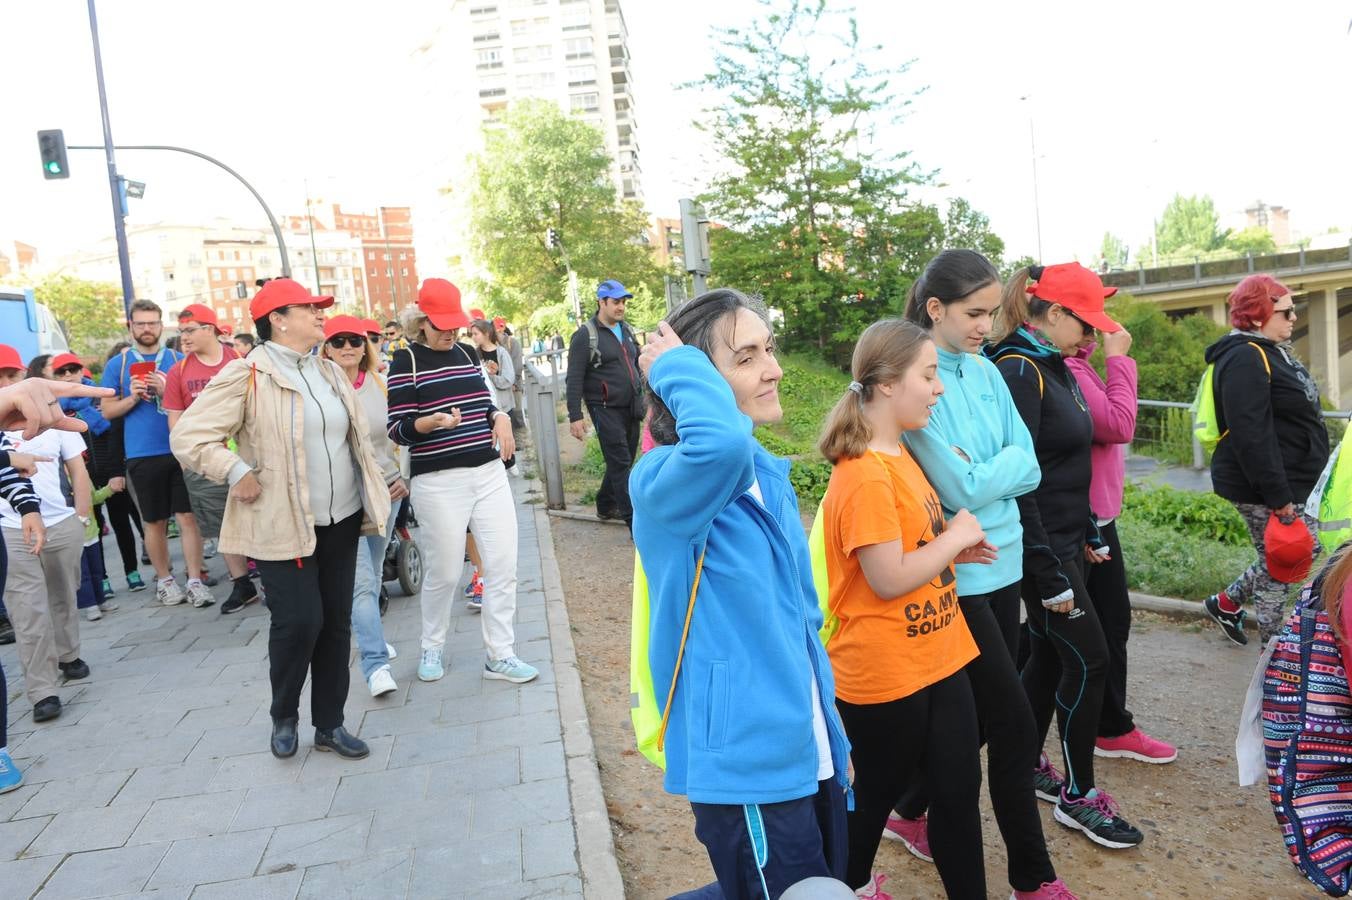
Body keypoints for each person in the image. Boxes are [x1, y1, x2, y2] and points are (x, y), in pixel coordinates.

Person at [632, 290, 852, 900]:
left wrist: (829, 730)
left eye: (769, 349)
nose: (773, 368)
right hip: (747, 768)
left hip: (804, 750)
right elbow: (718, 446)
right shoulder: (663, 485)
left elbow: (801, 617)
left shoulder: (767, 475)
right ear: (695, 381)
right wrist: (675, 368)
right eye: (746, 356)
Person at [897, 250, 1076, 899]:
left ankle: (905, 807)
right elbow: (956, 485)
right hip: (959, 577)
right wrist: (989, 474)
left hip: (1003, 564)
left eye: (992, 312)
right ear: (936, 308)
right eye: (974, 313)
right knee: (1015, 723)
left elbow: (1026, 464)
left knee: (969, 724)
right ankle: (1033, 876)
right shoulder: (915, 377)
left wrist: (987, 474)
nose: (985, 325)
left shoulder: (985, 370)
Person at [171, 277, 392, 760]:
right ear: (278, 319)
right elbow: (189, 437)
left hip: (343, 517)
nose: (320, 315)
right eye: (309, 308)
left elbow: (355, 441)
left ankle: (330, 724)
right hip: (283, 522)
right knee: (299, 622)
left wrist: (381, 480)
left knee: (336, 622)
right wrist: (234, 470)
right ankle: (284, 714)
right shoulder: (247, 374)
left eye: (320, 308)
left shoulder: (329, 372)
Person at [818, 318, 988, 899]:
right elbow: (886, 580)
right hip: (885, 675)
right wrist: (955, 535)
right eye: (929, 374)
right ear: (888, 383)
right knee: (867, 810)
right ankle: (849, 889)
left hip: (940, 655)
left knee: (960, 798)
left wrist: (954, 551)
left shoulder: (899, 453)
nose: (939, 387)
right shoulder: (864, 472)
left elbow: (906, 552)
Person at [987, 262, 1144, 850]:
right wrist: (1046, 566)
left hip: (1065, 541)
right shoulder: (1019, 369)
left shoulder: (1056, 364)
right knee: (1092, 658)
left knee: (1051, 659)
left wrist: (1089, 531)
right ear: (1052, 314)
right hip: (1039, 551)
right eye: (1086, 323)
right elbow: (1018, 479)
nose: (1094, 335)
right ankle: (1079, 797)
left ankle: (1022, 763)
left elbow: (1068, 465)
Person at [386, 279, 537, 686]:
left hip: (488, 474)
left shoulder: (468, 353)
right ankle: (432, 644)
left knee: (503, 564)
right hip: (438, 481)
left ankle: (500, 654)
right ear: (420, 322)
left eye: (455, 324)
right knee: (446, 572)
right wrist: (429, 422)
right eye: (440, 326)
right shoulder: (406, 362)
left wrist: (500, 418)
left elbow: (487, 404)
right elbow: (397, 429)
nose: (449, 333)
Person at [1065, 318, 1178, 765]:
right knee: (1092, 630)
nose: (1096, 332)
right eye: (1085, 323)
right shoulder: (1067, 370)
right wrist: (1118, 359)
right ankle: (1106, 728)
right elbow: (1117, 424)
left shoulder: (1074, 364)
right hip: (1083, 519)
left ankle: (1106, 724)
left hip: (1096, 516)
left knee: (1102, 625)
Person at [1203, 274, 1328, 646]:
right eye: (1286, 311)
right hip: (1262, 486)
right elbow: (1250, 434)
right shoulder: (1245, 357)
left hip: (1285, 479)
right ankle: (1275, 652)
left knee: (1303, 549)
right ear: (1258, 315)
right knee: (1281, 561)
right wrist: (1280, 498)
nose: (1293, 317)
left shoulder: (1269, 349)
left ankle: (1226, 603)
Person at [99, 299, 209, 608]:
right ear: (131, 327)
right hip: (141, 453)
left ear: (162, 326)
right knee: (155, 521)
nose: (147, 329)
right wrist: (133, 397)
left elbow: (196, 404)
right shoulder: (117, 365)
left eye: (153, 323)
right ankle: (164, 580)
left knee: (188, 518)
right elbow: (108, 412)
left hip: (179, 448)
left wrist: (165, 390)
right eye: (141, 324)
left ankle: (195, 580)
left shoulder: (178, 359)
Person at [322, 314, 407, 698]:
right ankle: (375, 664)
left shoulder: (379, 382)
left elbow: (397, 436)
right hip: (344, 497)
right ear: (324, 347)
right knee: (359, 584)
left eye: (355, 340)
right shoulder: (318, 387)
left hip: (386, 492)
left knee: (371, 575)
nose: (347, 348)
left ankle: (373, 638)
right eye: (337, 341)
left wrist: (402, 477)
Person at [162, 304, 259, 614]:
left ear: (211, 329)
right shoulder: (178, 371)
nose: (184, 337)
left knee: (258, 514)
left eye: (190, 330)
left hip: (245, 454)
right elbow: (175, 420)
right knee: (221, 525)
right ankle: (242, 584)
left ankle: (273, 575)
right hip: (206, 463)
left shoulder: (240, 361)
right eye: (181, 332)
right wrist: (187, 460)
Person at [2, 405, 94, 723]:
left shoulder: (54, 419)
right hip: (10, 528)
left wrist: (80, 517)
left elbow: (78, 471)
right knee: (28, 610)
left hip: (60, 522)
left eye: (11, 376)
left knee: (64, 594)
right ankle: (43, 691)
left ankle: (68, 654)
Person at [566, 280, 643, 525]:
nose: (621, 307)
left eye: (623, 302)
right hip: (604, 408)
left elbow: (638, 363)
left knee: (624, 459)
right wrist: (575, 416)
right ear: (602, 302)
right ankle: (635, 523)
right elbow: (574, 377)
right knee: (620, 463)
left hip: (631, 407)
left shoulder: (627, 330)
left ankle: (606, 504)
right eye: (616, 302)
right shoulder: (585, 335)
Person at [469, 318, 519, 475]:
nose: (473, 337)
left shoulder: (501, 352)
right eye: (472, 334)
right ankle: (499, 468)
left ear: (486, 333)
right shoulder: (473, 355)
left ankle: (510, 462)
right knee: (491, 441)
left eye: (476, 334)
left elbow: (507, 380)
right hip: (486, 405)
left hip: (503, 404)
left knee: (505, 439)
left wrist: (489, 377)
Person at [497, 317, 526, 430]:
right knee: (506, 416)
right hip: (502, 386)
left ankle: (524, 443)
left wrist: (513, 383)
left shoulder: (512, 342)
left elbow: (517, 365)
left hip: (514, 386)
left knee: (517, 415)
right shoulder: (494, 344)